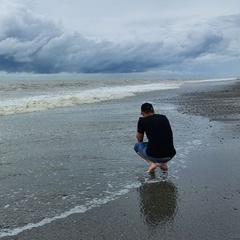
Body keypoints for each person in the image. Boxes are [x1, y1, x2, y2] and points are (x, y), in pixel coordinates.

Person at [134, 102, 176, 173]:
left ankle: (151, 163)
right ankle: (163, 164)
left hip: (154, 156)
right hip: (170, 155)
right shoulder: (164, 117)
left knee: (137, 146)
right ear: (153, 111)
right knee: (160, 142)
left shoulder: (142, 121)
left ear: (142, 113)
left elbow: (139, 139)